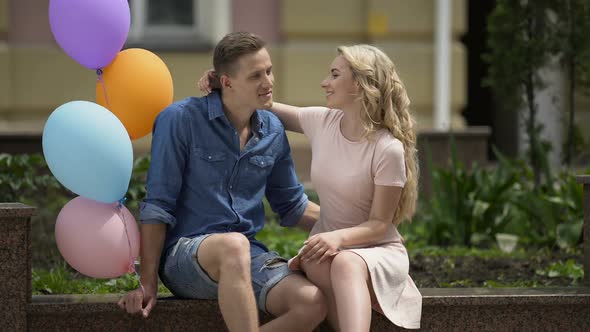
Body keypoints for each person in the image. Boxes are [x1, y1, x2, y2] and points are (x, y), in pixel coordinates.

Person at [200, 44, 422, 331]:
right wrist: (224, 83)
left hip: (374, 248)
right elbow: (263, 105)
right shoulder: (323, 122)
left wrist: (337, 239)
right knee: (316, 260)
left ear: (360, 83)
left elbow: (380, 225)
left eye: (334, 74)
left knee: (344, 263)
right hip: (330, 250)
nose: (324, 83)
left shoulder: (387, 148)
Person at [118, 32, 327, 332]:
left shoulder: (272, 130)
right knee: (233, 246)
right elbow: (157, 206)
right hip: (185, 256)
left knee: (312, 302)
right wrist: (147, 283)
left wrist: (358, 229)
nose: (268, 82)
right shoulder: (180, 120)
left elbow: (293, 206)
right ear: (226, 82)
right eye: (256, 76)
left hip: (247, 255)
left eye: (268, 71)